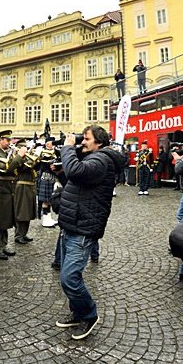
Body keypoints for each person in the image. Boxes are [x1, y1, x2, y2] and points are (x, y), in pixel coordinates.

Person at [54, 125, 123, 340]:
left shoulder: (101, 160)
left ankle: (90, 315)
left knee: (69, 278)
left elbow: (77, 172)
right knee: (69, 276)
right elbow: (76, 181)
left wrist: (67, 149)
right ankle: (78, 313)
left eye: (86, 139)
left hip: (83, 228)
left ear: (99, 142)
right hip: (72, 224)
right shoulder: (94, 158)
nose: (82, 142)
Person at [0, 130, 23, 260]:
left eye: (10, 140)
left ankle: (3, 245)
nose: (9, 143)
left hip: (7, 190)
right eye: (7, 140)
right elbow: (6, 168)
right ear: (0, 140)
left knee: (6, 219)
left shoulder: (6, 153)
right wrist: (19, 156)